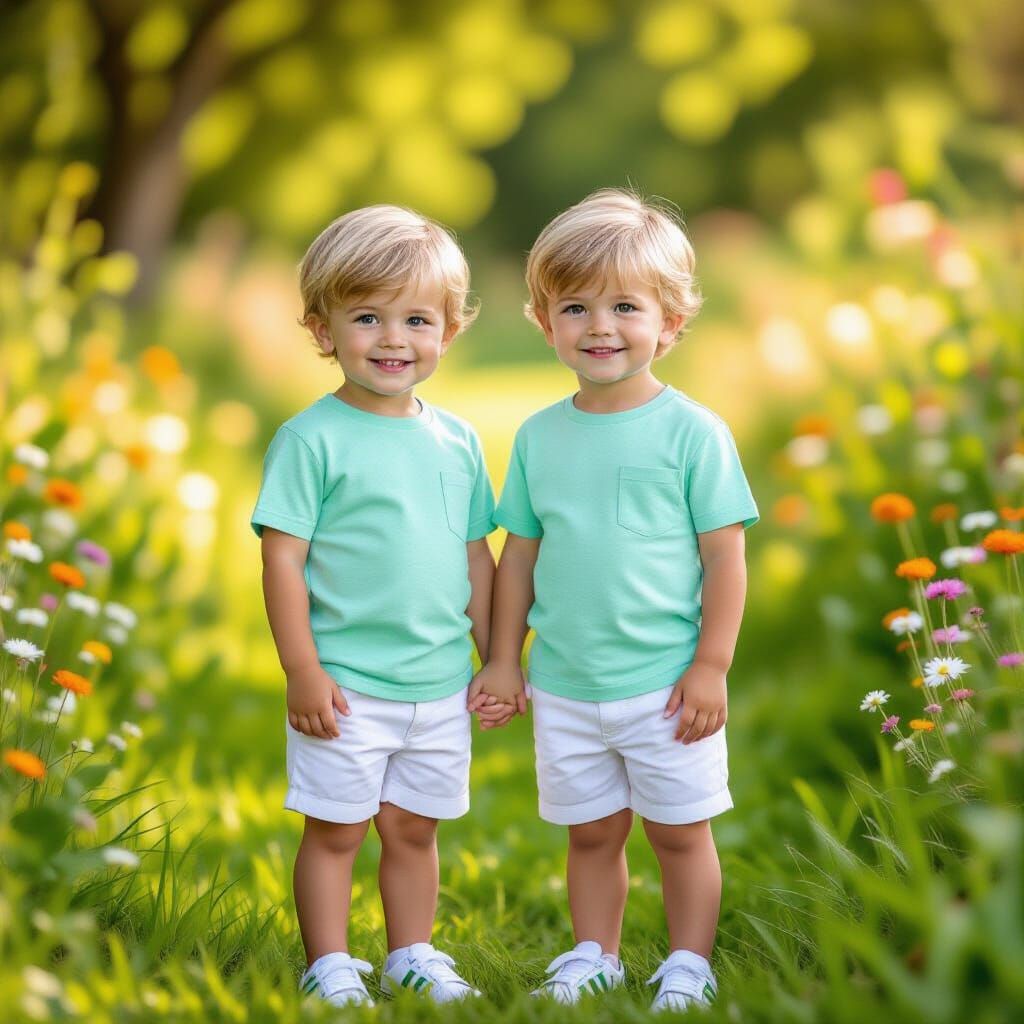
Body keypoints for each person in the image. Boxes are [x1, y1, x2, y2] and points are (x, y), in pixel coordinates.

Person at [470, 188, 759, 1011]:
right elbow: (518, 558)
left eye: (625, 306)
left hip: (668, 685)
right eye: (576, 306)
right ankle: (593, 952)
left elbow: (725, 557)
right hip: (566, 682)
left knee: (677, 832)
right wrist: (501, 659)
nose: (600, 325)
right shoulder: (538, 436)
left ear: (670, 321)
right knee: (592, 832)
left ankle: (687, 963)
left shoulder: (693, 433)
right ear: (543, 320)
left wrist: (711, 665)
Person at [252, 205, 496, 1007]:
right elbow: (282, 558)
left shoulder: (458, 441)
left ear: (448, 331)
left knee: (413, 828)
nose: (394, 339)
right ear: (323, 329)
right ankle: (327, 962)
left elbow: (474, 557)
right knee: (336, 831)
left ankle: (410, 952)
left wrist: (497, 658)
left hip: (437, 684)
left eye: (416, 320)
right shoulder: (311, 439)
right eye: (367, 318)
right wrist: (303, 669)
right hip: (347, 684)